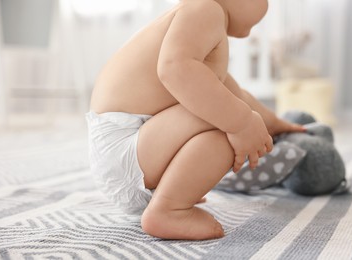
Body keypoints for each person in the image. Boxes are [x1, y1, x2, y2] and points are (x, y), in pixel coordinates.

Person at [86, 0, 304, 240]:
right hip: (127, 149)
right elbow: (174, 69)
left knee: (223, 105)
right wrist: (241, 122)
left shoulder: (202, 25)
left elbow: (235, 95)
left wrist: (272, 123)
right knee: (225, 118)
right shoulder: (205, 10)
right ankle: (169, 209)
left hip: (134, 154)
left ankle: (176, 189)